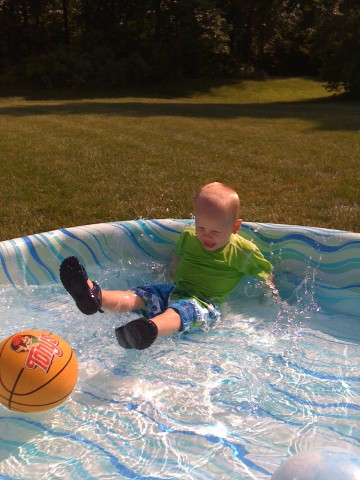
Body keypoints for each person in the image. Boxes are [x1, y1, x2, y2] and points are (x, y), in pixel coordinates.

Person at [60, 182, 275, 350]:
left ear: (235, 227)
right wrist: (168, 274)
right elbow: (177, 258)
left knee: (183, 311)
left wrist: (271, 296)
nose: (206, 236)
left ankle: (150, 329)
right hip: (174, 289)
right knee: (143, 295)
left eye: (215, 232)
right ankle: (95, 296)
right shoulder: (189, 236)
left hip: (205, 303)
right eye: (201, 227)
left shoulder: (244, 252)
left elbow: (266, 272)